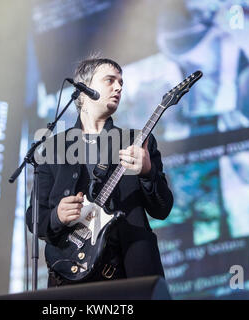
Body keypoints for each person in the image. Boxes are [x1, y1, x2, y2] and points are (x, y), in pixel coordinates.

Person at [26, 56, 174, 287]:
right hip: (70, 277)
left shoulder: (136, 141)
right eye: (110, 80)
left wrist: (147, 172)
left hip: (129, 275)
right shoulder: (53, 148)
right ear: (83, 90)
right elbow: (35, 217)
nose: (118, 87)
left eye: (121, 83)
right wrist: (58, 216)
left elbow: (163, 208)